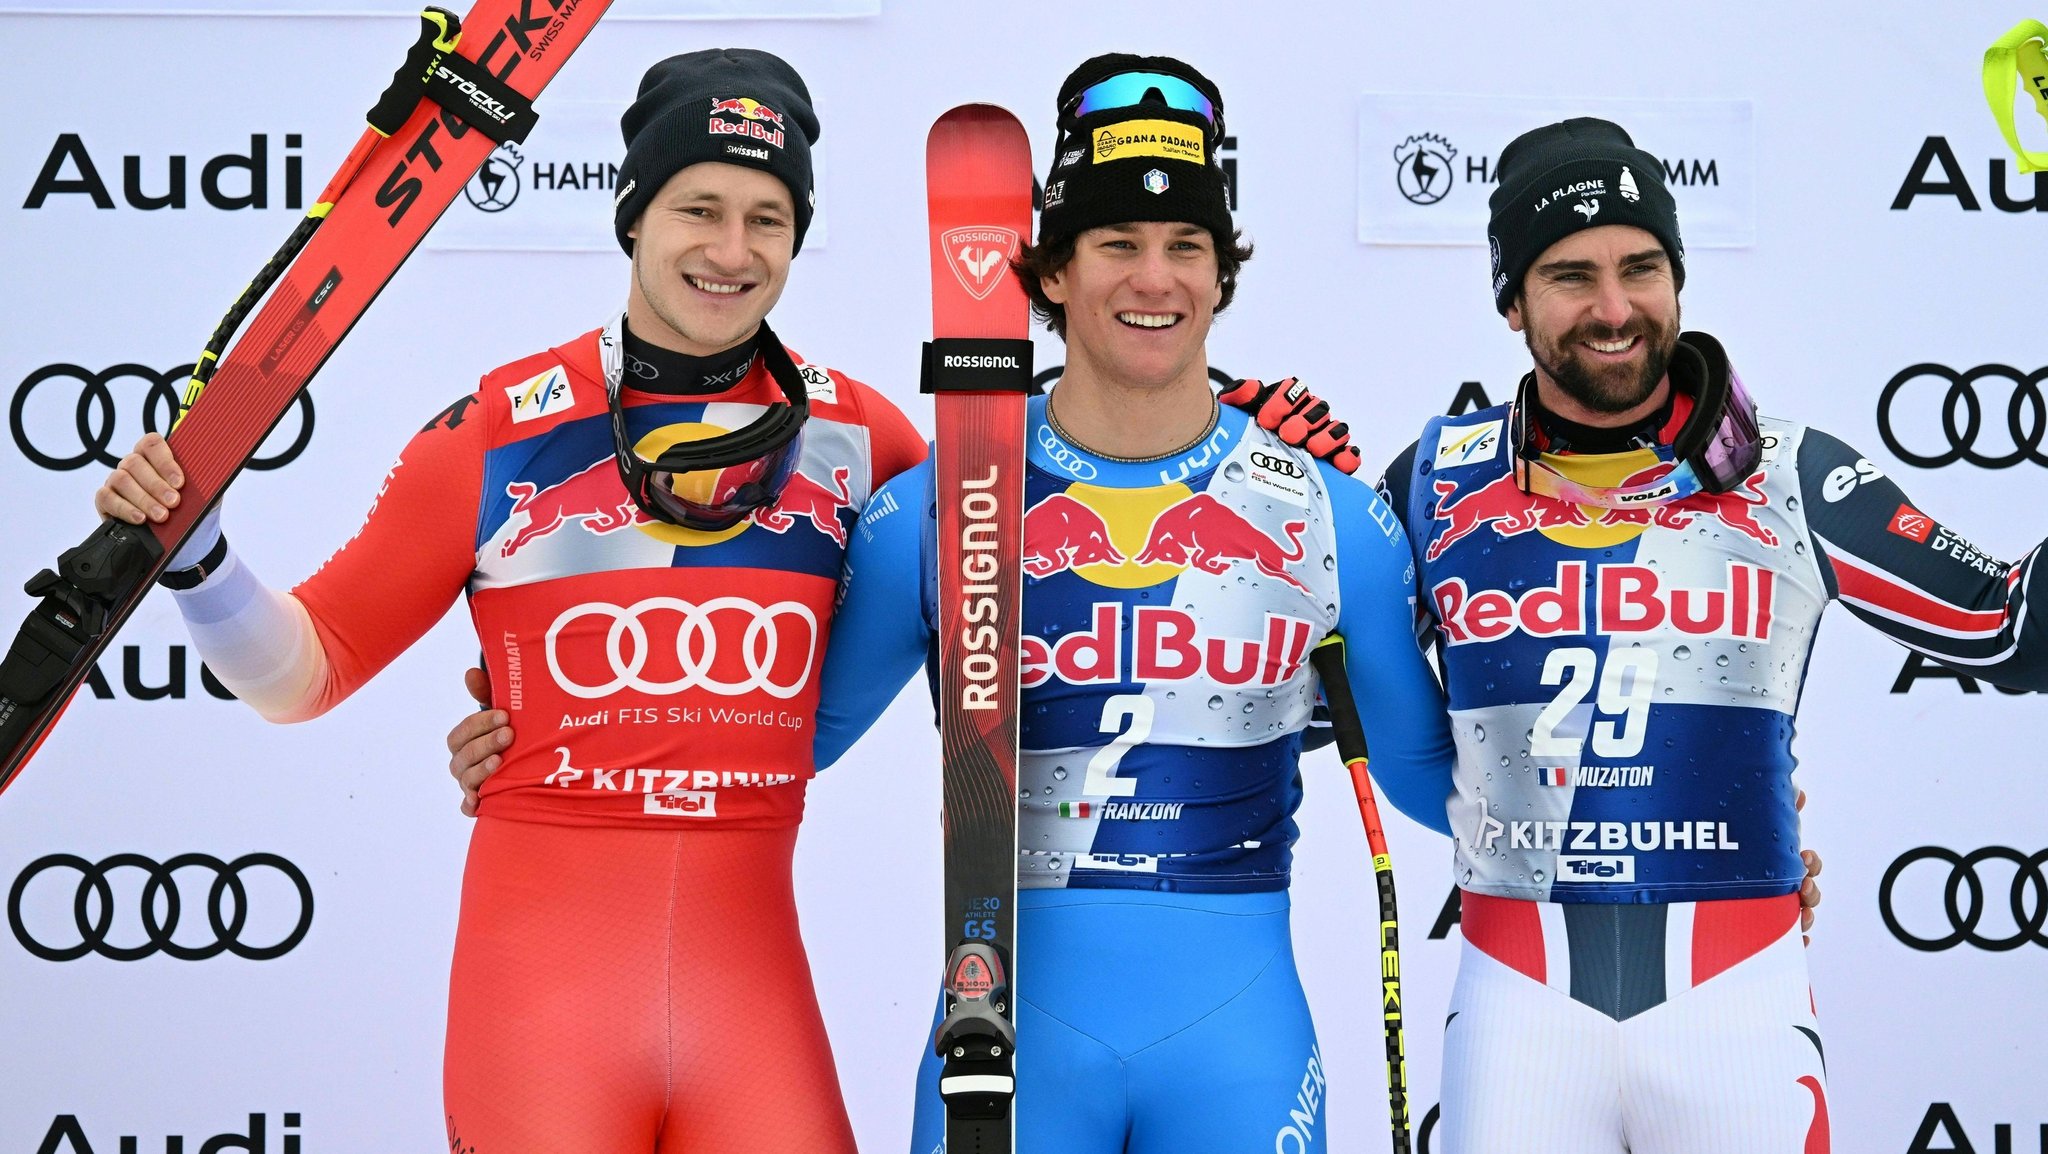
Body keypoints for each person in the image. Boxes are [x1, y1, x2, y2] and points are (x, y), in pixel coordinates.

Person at [91, 49, 925, 1153]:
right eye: (699, 208)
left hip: (750, 1001)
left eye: (767, 219)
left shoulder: (864, 441)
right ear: (631, 213)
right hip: (543, 1011)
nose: (731, 252)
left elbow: (970, 597)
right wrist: (195, 558)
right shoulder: (501, 428)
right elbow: (306, 670)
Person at [1265, 116, 2044, 1153]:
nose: (1612, 307)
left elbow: (2011, 628)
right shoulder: (1434, 480)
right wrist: (1252, 496)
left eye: (1640, 267)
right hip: (1516, 1012)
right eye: (1569, 274)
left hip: (1736, 1008)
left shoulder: (1786, 475)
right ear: (1510, 300)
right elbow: (1291, 698)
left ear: (1677, 278)